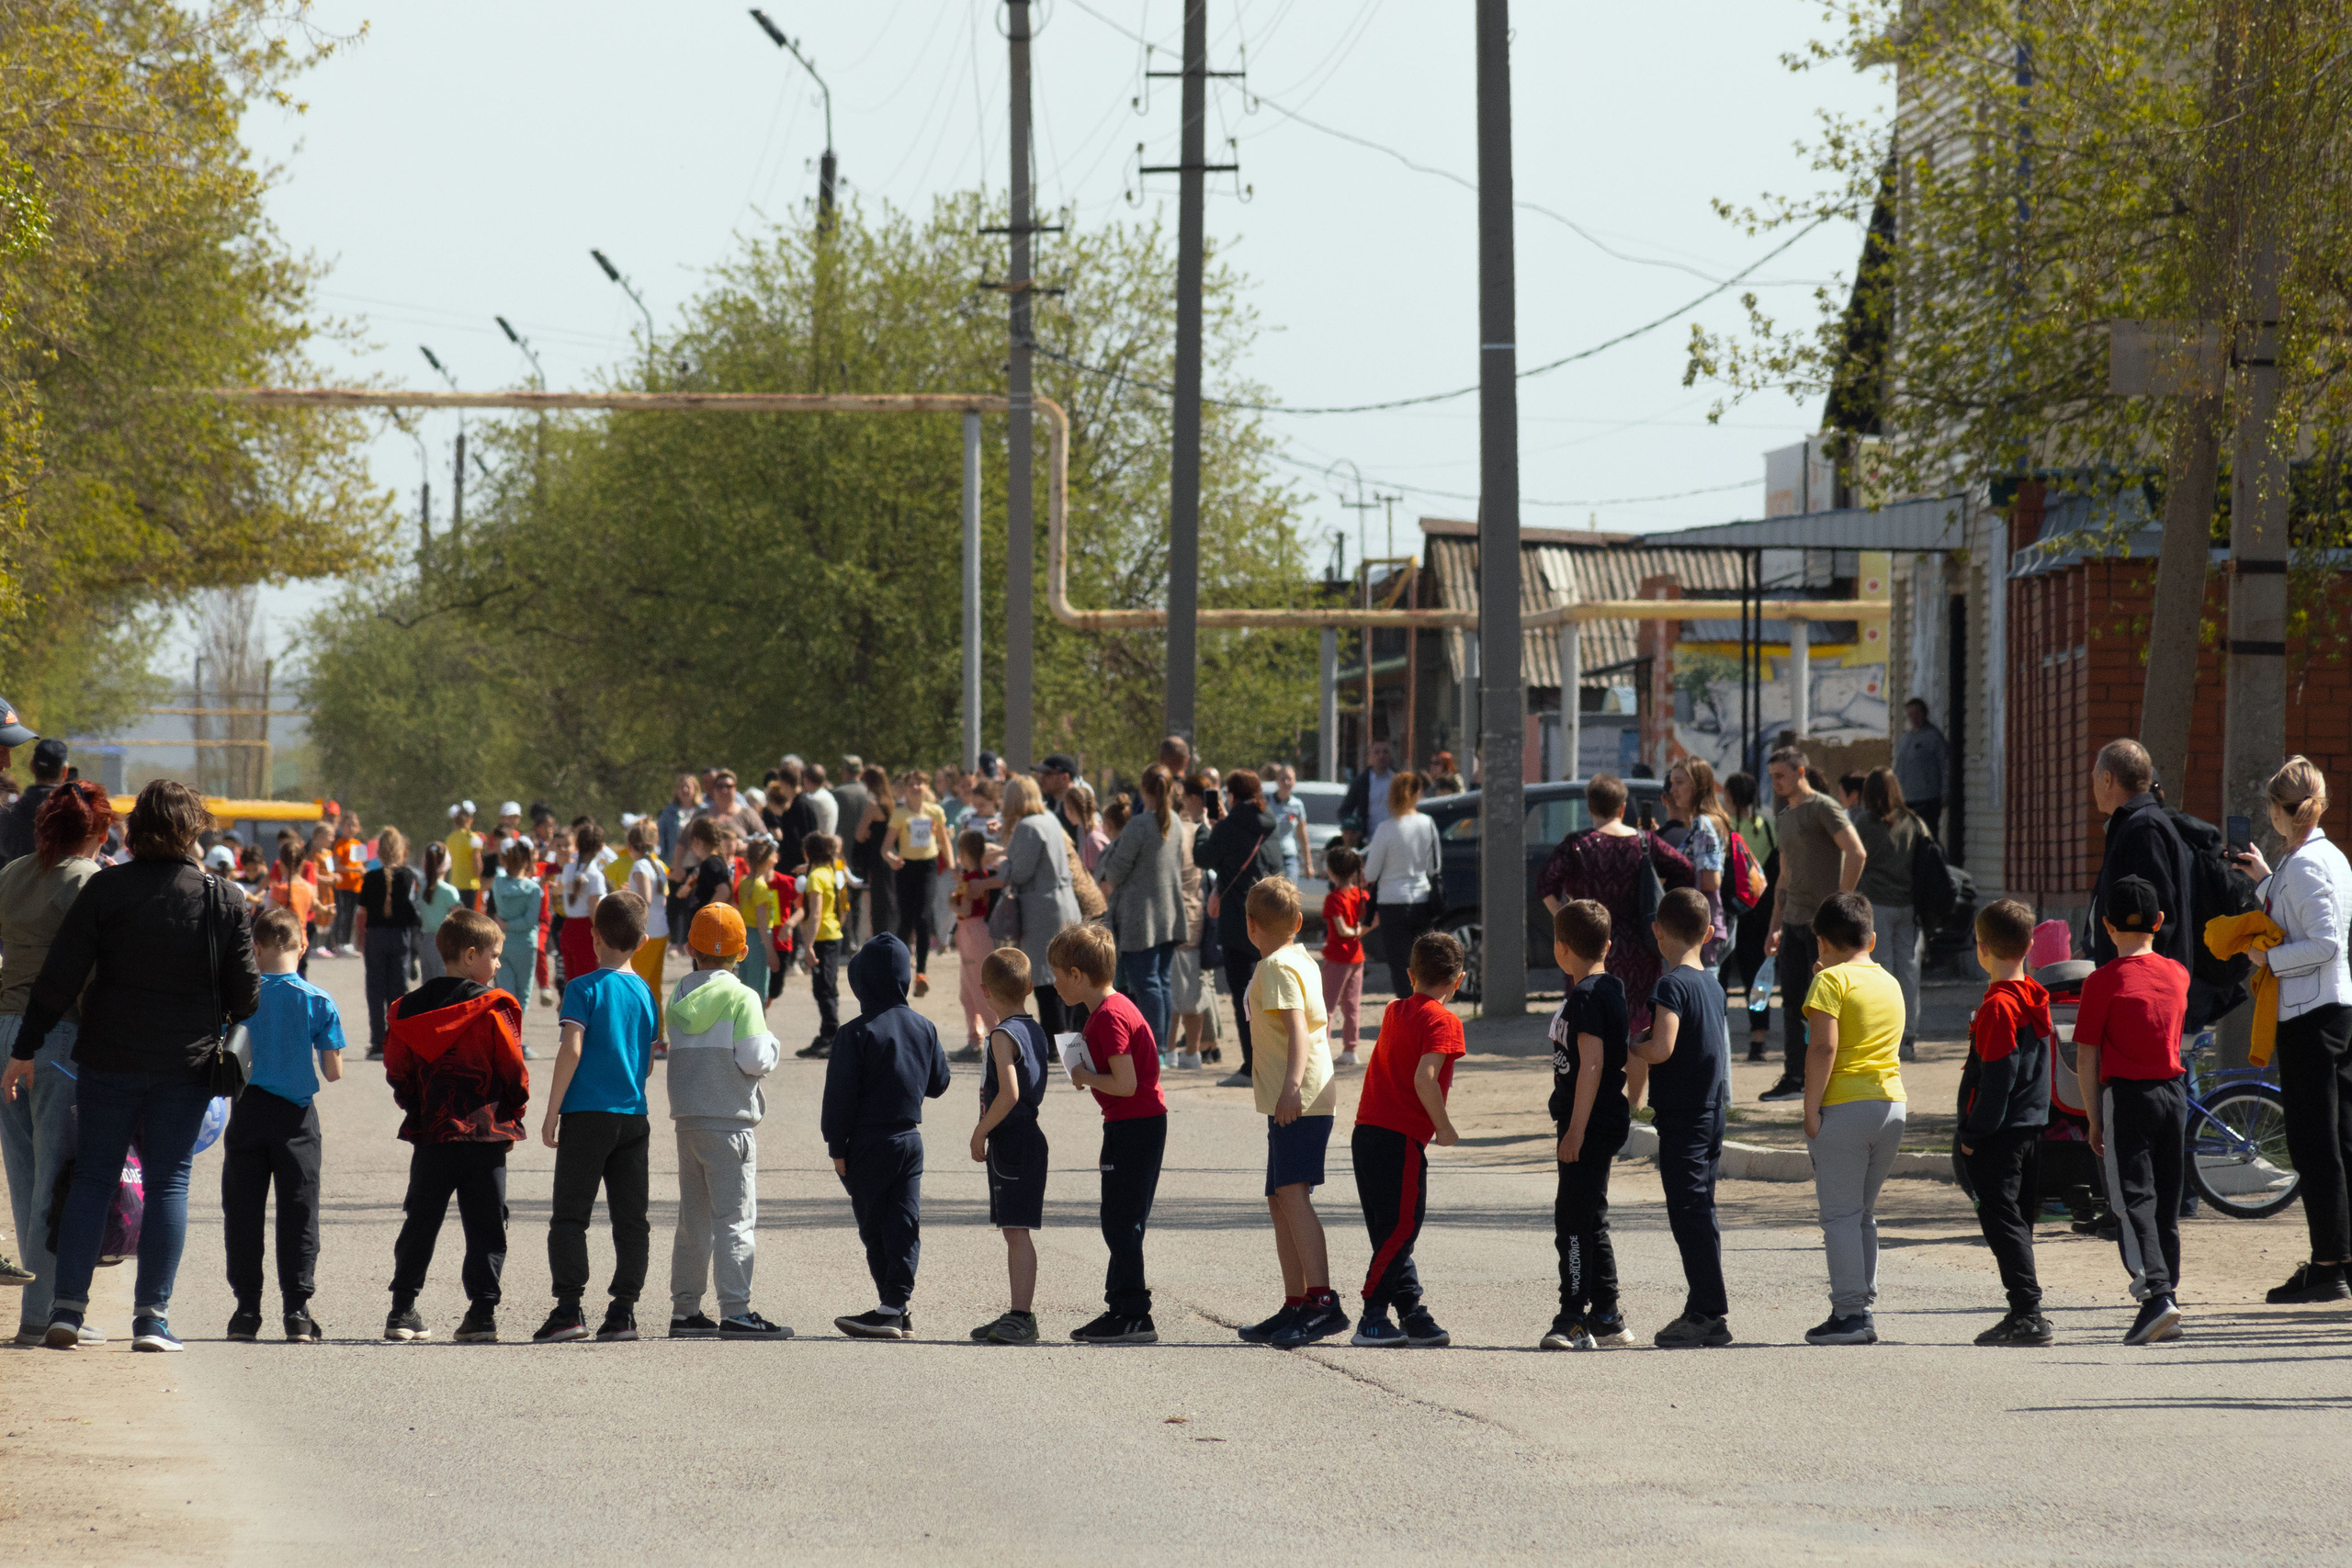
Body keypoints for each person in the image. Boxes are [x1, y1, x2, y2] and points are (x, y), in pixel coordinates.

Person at [8, 780, 260, 1352]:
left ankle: (66, 1311)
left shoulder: (107, 889)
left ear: (134, 826)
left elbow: (60, 979)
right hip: (186, 1064)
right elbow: (246, 998)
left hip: (107, 1060)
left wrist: (26, 1046)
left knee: (94, 1178)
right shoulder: (224, 899)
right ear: (192, 828)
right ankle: (151, 1320)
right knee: (169, 1182)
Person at [2230, 757, 2352, 1303]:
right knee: (2337, 1140)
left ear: (2280, 812)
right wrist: (2264, 882)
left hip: (2310, 1014)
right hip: (2333, 1009)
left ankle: (2328, 1264)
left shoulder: (2304, 864)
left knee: (2316, 1144)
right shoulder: (2325, 857)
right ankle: (2338, 1257)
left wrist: (2266, 958)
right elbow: (2303, 918)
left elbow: (2324, 942)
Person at [0, 780, 112, 1343]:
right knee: (56, 1175)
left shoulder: (14, 872)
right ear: (101, 831)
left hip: (3, 1028)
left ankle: (33, 1311)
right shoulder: (89, 881)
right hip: (56, 1034)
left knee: (23, 1179)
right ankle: (47, 1316)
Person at [383, 905, 528, 1343]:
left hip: (433, 1131)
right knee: (486, 1224)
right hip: (484, 1133)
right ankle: (482, 1314)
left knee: (421, 1220)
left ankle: (402, 1308)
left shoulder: (407, 1009)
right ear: (470, 956)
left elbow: (397, 1068)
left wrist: (418, 1105)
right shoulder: (491, 1009)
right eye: (495, 954)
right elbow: (514, 1069)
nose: (499, 963)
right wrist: (512, 1115)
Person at [537, 893, 661, 1344]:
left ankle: (569, 1308)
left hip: (586, 1114)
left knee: (571, 1215)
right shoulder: (646, 993)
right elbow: (647, 1062)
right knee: (632, 1219)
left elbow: (572, 1047)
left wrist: (552, 1111)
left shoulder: (582, 987)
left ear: (593, 935)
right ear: (643, 941)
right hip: (633, 1116)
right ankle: (623, 1310)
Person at [661, 903, 787, 1340]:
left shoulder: (679, 993)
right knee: (734, 1217)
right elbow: (754, 1058)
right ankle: (736, 1309)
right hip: (729, 1121)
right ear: (743, 951)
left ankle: (686, 1310)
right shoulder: (743, 996)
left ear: (692, 948)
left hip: (688, 1119)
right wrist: (773, 1045)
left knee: (692, 1219)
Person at [220, 905, 345, 1344]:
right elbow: (332, 1071)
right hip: (296, 1118)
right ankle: (297, 1309)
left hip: (248, 1111)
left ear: (254, 948)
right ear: (303, 944)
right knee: (299, 1210)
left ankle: (246, 1310)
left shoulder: (239, 999)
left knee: (243, 1211)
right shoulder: (317, 1000)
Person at [1228, 877, 1344, 1350]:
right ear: (1299, 923)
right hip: (1299, 1098)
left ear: (1250, 927)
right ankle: (1295, 1301)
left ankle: (1321, 1302)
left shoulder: (1275, 967)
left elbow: (1299, 1029)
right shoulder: (1301, 958)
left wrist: (1292, 1087)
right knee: (1280, 1199)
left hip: (1298, 1098)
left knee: (1293, 1196)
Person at [2074, 874, 2188, 1345]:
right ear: (2159, 922)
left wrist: (2093, 1118)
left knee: (2130, 1199)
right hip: (2174, 1094)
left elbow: (2086, 1055)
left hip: (2128, 1096)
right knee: (2166, 1199)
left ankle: (2154, 1295)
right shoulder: (2177, 973)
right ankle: (2170, 1292)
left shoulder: (2101, 982)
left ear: (2105, 925)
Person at [822, 934, 952, 1338]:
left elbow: (840, 1098)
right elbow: (939, 1083)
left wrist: (836, 1145)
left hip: (867, 1143)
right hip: (910, 1140)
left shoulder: (855, 1032)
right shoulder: (924, 1027)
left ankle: (891, 1306)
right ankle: (898, 1303)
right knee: (904, 1221)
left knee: (875, 1226)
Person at [1050, 921, 1170, 1344]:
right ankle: (1121, 1307)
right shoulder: (1111, 1010)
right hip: (1132, 1122)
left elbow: (1126, 1084)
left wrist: (1085, 1073)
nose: (1055, 983)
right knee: (1120, 1219)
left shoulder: (1109, 1017)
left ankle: (1134, 1313)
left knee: (1122, 1222)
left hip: (1135, 1124)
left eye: (1058, 974)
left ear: (1078, 975)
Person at [1798, 891, 1907, 1347]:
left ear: (1821, 941)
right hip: (1892, 1106)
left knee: (1839, 1216)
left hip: (1844, 1107)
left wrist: (1809, 1109)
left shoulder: (1829, 983)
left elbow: (1822, 1047)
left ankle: (1849, 1315)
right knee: (1863, 1214)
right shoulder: (1890, 981)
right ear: (1873, 939)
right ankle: (1861, 1305)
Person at [1347, 929, 1464, 1348]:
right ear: (1459, 980)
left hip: (1367, 1132)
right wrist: (1444, 1126)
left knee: (1388, 1230)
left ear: (1410, 974)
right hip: (1401, 1138)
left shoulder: (1396, 1009)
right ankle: (1372, 1314)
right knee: (1402, 1228)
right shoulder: (1444, 1020)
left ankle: (1410, 1309)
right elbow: (1425, 1078)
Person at [1635, 888, 1735, 1349]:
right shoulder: (1711, 984)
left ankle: (1707, 1312)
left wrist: (1629, 1046)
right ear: (1709, 933)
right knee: (1702, 1209)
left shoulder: (1670, 985)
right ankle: (1705, 1304)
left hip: (1684, 1117)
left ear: (1657, 931)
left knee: (1689, 1212)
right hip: (1712, 1112)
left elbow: (1663, 1048)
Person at [1959, 897, 2055, 1347]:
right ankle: (2024, 1309)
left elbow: (1998, 1077)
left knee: (2003, 1221)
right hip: (2033, 1124)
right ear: (2030, 945)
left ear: (1981, 949)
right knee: (2017, 1220)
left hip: (2000, 1131)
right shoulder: (2034, 995)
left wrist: (1974, 1134)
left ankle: (2027, 1313)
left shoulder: (1999, 1006)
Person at [1537, 773, 1697, 1038]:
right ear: (1623, 808)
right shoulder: (1645, 842)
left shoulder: (1577, 845)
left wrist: (1568, 920)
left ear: (1589, 808)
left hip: (1588, 945)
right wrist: (1662, 905)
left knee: (1590, 1020)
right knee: (1639, 1022)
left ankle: (1596, 1077)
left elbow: (1545, 884)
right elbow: (1685, 870)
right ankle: (1636, 1082)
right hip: (1639, 945)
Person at [1539, 899, 1632, 1351]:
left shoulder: (1589, 996)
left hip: (1588, 1124)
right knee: (1590, 1216)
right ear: (1607, 945)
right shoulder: (1608, 988)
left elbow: (1592, 1065)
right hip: (1594, 1119)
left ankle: (1573, 1317)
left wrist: (1576, 1130)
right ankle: (1608, 1315)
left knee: (1572, 1221)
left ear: (1561, 949)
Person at [1761, 747, 1867, 1102]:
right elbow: (1784, 876)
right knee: (1792, 1003)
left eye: (1781, 775)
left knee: (1829, 1004)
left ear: (1800, 772)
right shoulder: (1784, 815)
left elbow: (1856, 852)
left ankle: (1834, 1076)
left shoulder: (1823, 807)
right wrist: (1774, 925)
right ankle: (1794, 1077)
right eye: (1772, 776)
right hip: (1792, 922)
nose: (1775, 782)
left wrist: (1840, 907)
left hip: (1823, 927)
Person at [967, 948, 1053, 1345]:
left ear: (984, 990)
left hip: (1013, 1139)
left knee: (1017, 1231)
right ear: (1030, 988)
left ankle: (1022, 1315)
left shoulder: (1002, 1035)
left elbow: (1009, 1094)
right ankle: (1017, 1310)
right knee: (1013, 1229)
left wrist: (981, 1131)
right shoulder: (1033, 1029)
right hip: (1029, 1137)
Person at [1197, 771, 1284, 1088]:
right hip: (1272, 921)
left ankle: (1251, 1067)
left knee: (1244, 998)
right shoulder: (1270, 823)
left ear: (1231, 796)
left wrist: (1208, 830)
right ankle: (1272, 1063)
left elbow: (1202, 856)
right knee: (1269, 997)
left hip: (1239, 923)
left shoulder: (1229, 827)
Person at [1097, 764, 1187, 1069]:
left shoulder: (1138, 825)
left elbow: (1116, 872)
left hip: (1141, 915)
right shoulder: (1174, 821)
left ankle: (1154, 1050)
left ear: (1143, 790)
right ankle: (1162, 1048)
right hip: (1168, 912)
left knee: (1146, 983)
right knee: (1160, 982)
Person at [2086, 739, 2196, 978]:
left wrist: (2143, 980)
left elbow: (2156, 913)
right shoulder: (2132, 824)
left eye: (2094, 777)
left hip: (2146, 984)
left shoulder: (2144, 828)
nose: (2092, 785)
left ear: (2107, 779)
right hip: (2134, 978)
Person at [1853, 767, 1927, 1063]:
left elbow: (1854, 858)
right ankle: (1908, 1038)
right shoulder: (1914, 822)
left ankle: (1885, 1034)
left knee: (1882, 971)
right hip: (1908, 904)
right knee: (1909, 970)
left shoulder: (1865, 823)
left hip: (1876, 906)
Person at [1001, 775, 1084, 1036]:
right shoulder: (1050, 819)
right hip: (1065, 903)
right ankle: (1067, 1036)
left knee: (1046, 978)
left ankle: (1052, 1040)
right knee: (1068, 973)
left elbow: (1020, 872)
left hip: (1042, 909)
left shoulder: (1028, 826)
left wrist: (1001, 864)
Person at [1360, 772, 1443, 1002]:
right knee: (1423, 962)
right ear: (1417, 793)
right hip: (1422, 899)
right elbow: (1434, 866)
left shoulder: (1385, 828)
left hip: (1391, 903)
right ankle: (1426, 1007)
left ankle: (1408, 1011)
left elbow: (1370, 873)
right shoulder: (1427, 824)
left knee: (1399, 964)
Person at [1723, 770, 1779, 1063]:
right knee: (1756, 977)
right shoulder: (1767, 827)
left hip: (1730, 911)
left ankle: (1717, 1034)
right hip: (1760, 912)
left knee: (1718, 976)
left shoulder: (1725, 827)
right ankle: (1758, 1040)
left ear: (1729, 796)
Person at [882, 771, 950, 998]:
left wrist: (952, 865)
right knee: (906, 920)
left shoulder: (935, 812)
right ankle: (899, 971)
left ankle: (921, 972)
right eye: (911, 784)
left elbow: (944, 841)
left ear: (926, 786)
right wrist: (892, 858)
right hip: (905, 868)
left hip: (928, 867)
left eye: (919, 783)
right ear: (905, 788)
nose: (916, 787)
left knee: (923, 917)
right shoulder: (900, 814)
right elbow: (886, 847)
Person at [358, 828, 422, 1059]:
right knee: (398, 990)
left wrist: (359, 939)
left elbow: (362, 911)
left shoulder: (370, 877)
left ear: (380, 852)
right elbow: (414, 911)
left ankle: (377, 1042)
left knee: (375, 990)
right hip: (400, 936)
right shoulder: (409, 876)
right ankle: (398, 1039)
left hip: (375, 935)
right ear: (401, 851)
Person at [947, 829, 1002, 1061]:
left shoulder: (971, 880)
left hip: (972, 932)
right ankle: (976, 1039)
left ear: (962, 853)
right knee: (968, 991)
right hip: (977, 932)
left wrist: (952, 902)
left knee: (978, 990)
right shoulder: (982, 875)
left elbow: (965, 910)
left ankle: (995, 1039)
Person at [796, 832, 850, 1058]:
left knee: (824, 988)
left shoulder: (816, 877)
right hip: (832, 934)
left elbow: (816, 912)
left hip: (823, 937)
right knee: (825, 986)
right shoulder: (828, 872)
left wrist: (807, 945)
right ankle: (827, 1032)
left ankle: (831, 1034)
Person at [1319, 845, 1374, 1067]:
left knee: (1326, 1007)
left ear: (1332, 872)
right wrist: (1361, 931)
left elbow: (1341, 930)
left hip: (1337, 957)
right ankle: (1350, 1049)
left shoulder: (1334, 898)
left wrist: (1354, 932)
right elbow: (1370, 920)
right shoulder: (1362, 896)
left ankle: (1320, 1049)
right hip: (1356, 957)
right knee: (1352, 1006)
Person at [620, 818, 671, 1046]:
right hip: (661, 929)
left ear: (631, 846)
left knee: (637, 984)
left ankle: (642, 1036)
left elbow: (646, 898)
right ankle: (657, 1037)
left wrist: (628, 897)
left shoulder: (640, 866)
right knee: (653, 986)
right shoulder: (658, 864)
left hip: (647, 932)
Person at [488, 841, 543, 1044]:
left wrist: (503, 924)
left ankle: (506, 1035)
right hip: (526, 945)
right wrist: (511, 924)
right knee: (523, 993)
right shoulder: (533, 889)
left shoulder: (498, 884)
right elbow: (530, 921)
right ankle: (515, 1036)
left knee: (506, 991)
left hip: (502, 943)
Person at [558, 821, 610, 994]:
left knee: (572, 982)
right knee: (588, 985)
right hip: (586, 931)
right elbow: (595, 912)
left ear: (577, 844)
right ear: (601, 847)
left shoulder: (567, 869)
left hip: (568, 928)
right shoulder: (595, 875)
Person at [0, 735, 67, 869]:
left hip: (15, 887)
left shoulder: (7, 815)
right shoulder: (76, 815)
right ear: (65, 771)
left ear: (32, 766)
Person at [734, 836, 784, 1003]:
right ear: (768, 861)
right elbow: (762, 924)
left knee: (745, 985)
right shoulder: (760, 888)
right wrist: (771, 952)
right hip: (758, 940)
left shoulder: (744, 883)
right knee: (758, 989)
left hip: (745, 937)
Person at [1897, 698, 1949, 840]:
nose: (1914, 717)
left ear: (1925, 713)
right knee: (1908, 838)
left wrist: (1945, 791)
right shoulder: (1905, 739)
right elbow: (1898, 768)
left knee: (1927, 837)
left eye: (1917, 713)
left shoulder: (1933, 737)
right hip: (1906, 799)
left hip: (1928, 798)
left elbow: (1945, 766)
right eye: (1910, 714)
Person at [414, 840, 461, 984]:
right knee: (444, 985)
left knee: (428, 985)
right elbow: (461, 917)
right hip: (445, 942)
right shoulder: (449, 891)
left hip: (425, 941)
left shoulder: (422, 889)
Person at [1339, 739, 1397, 843]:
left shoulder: (1398, 780)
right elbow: (1344, 810)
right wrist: (1354, 829)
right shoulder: (1361, 782)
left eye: (1385, 752)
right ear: (1369, 756)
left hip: (1395, 838)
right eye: (1377, 752)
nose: (1381, 756)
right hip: (1370, 839)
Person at [329, 811, 368, 956]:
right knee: (342, 914)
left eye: (355, 825)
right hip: (342, 886)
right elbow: (337, 865)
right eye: (349, 825)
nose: (352, 828)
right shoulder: (340, 844)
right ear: (342, 826)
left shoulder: (358, 845)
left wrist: (363, 872)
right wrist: (353, 869)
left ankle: (348, 943)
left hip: (355, 886)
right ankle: (340, 943)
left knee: (352, 916)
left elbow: (362, 865)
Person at [1269, 764, 1310, 885]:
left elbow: (1302, 835)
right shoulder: (1267, 802)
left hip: (1289, 854)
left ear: (1294, 781)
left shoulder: (1297, 805)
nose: (1286, 782)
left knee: (1289, 891)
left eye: (1289, 779)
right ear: (1277, 781)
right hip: (1270, 855)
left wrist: (1308, 864)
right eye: (1283, 779)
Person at [445, 801, 486, 910]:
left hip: (454, 883)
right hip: (470, 886)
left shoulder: (450, 838)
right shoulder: (473, 838)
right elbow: (477, 864)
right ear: (470, 820)